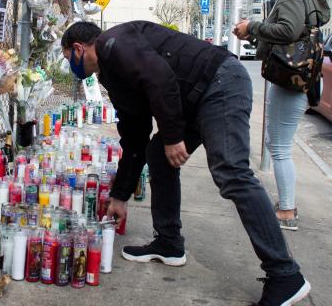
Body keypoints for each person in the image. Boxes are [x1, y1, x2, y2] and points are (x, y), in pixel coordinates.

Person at [60, 21, 310, 306]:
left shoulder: (113, 43)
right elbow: (134, 133)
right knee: (157, 155)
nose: (72, 66)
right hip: (195, 96)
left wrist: (173, 135)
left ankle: (285, 275)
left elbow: (160, 78)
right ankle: (169, 242)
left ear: (78, 48)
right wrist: (120, 194)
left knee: (232, 172)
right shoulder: (111, 72)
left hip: (220, 81)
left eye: (69, 58)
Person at [231, 0, 330, 232]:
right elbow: (286, 33)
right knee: (277, 144)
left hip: (291, 79)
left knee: (281, 148)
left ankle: (287, 210)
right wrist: (252, 34)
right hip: (295, 78)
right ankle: (286, 206)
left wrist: (253, 27)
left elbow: (287, 31)